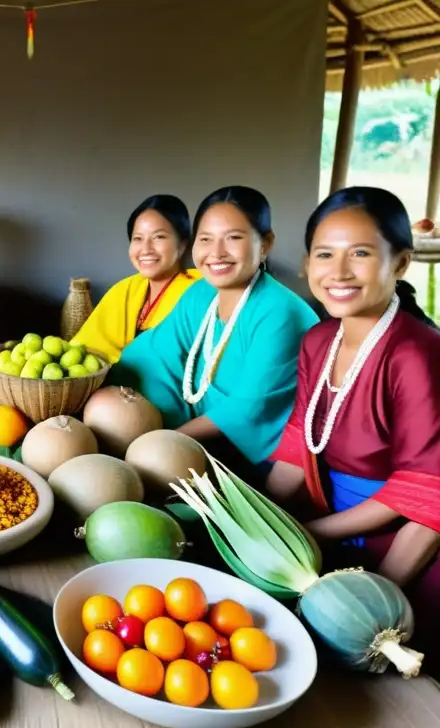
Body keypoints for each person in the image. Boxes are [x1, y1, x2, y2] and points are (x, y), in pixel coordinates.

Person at [266, 188, 440, 638]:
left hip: (408, 546)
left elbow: (427, 498)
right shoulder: (318, 340)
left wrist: (373, 597)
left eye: (360, 253)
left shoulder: (417, 355)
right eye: (325, 254)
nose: (338, 271)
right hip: (331, 528)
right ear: (308, 263)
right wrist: (260, 519)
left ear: (401, 263)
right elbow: (298, 446)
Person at [109, 186, 319, 467]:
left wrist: (167, 439)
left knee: (154, 457)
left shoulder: (281, 313)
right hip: (198, 431)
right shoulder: (201, 293)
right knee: (109, 407)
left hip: (256, 457)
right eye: (206, 239)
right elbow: (154, 354)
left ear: (265, 243)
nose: (216, 252)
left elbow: (248, 410)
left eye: (233, 238)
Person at [71, 195, 202, 364]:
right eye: (138, 239)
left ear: (182, 244)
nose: (146, 249)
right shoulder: (124, 289)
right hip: (110, 383)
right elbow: (86, 349)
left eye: (158, 237)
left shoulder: (198, 292)